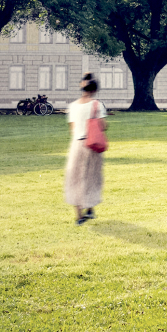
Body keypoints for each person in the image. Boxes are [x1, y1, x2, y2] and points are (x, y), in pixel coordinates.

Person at [65, 74, 107, 225]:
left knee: (75, 178)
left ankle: (79, 215)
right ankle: (89, 208)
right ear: (94, 90)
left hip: (76, 145)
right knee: (91, 177)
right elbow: (103, 126)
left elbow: (72, 128)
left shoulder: (73, 106)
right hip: (91, 146)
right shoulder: (96, 105)